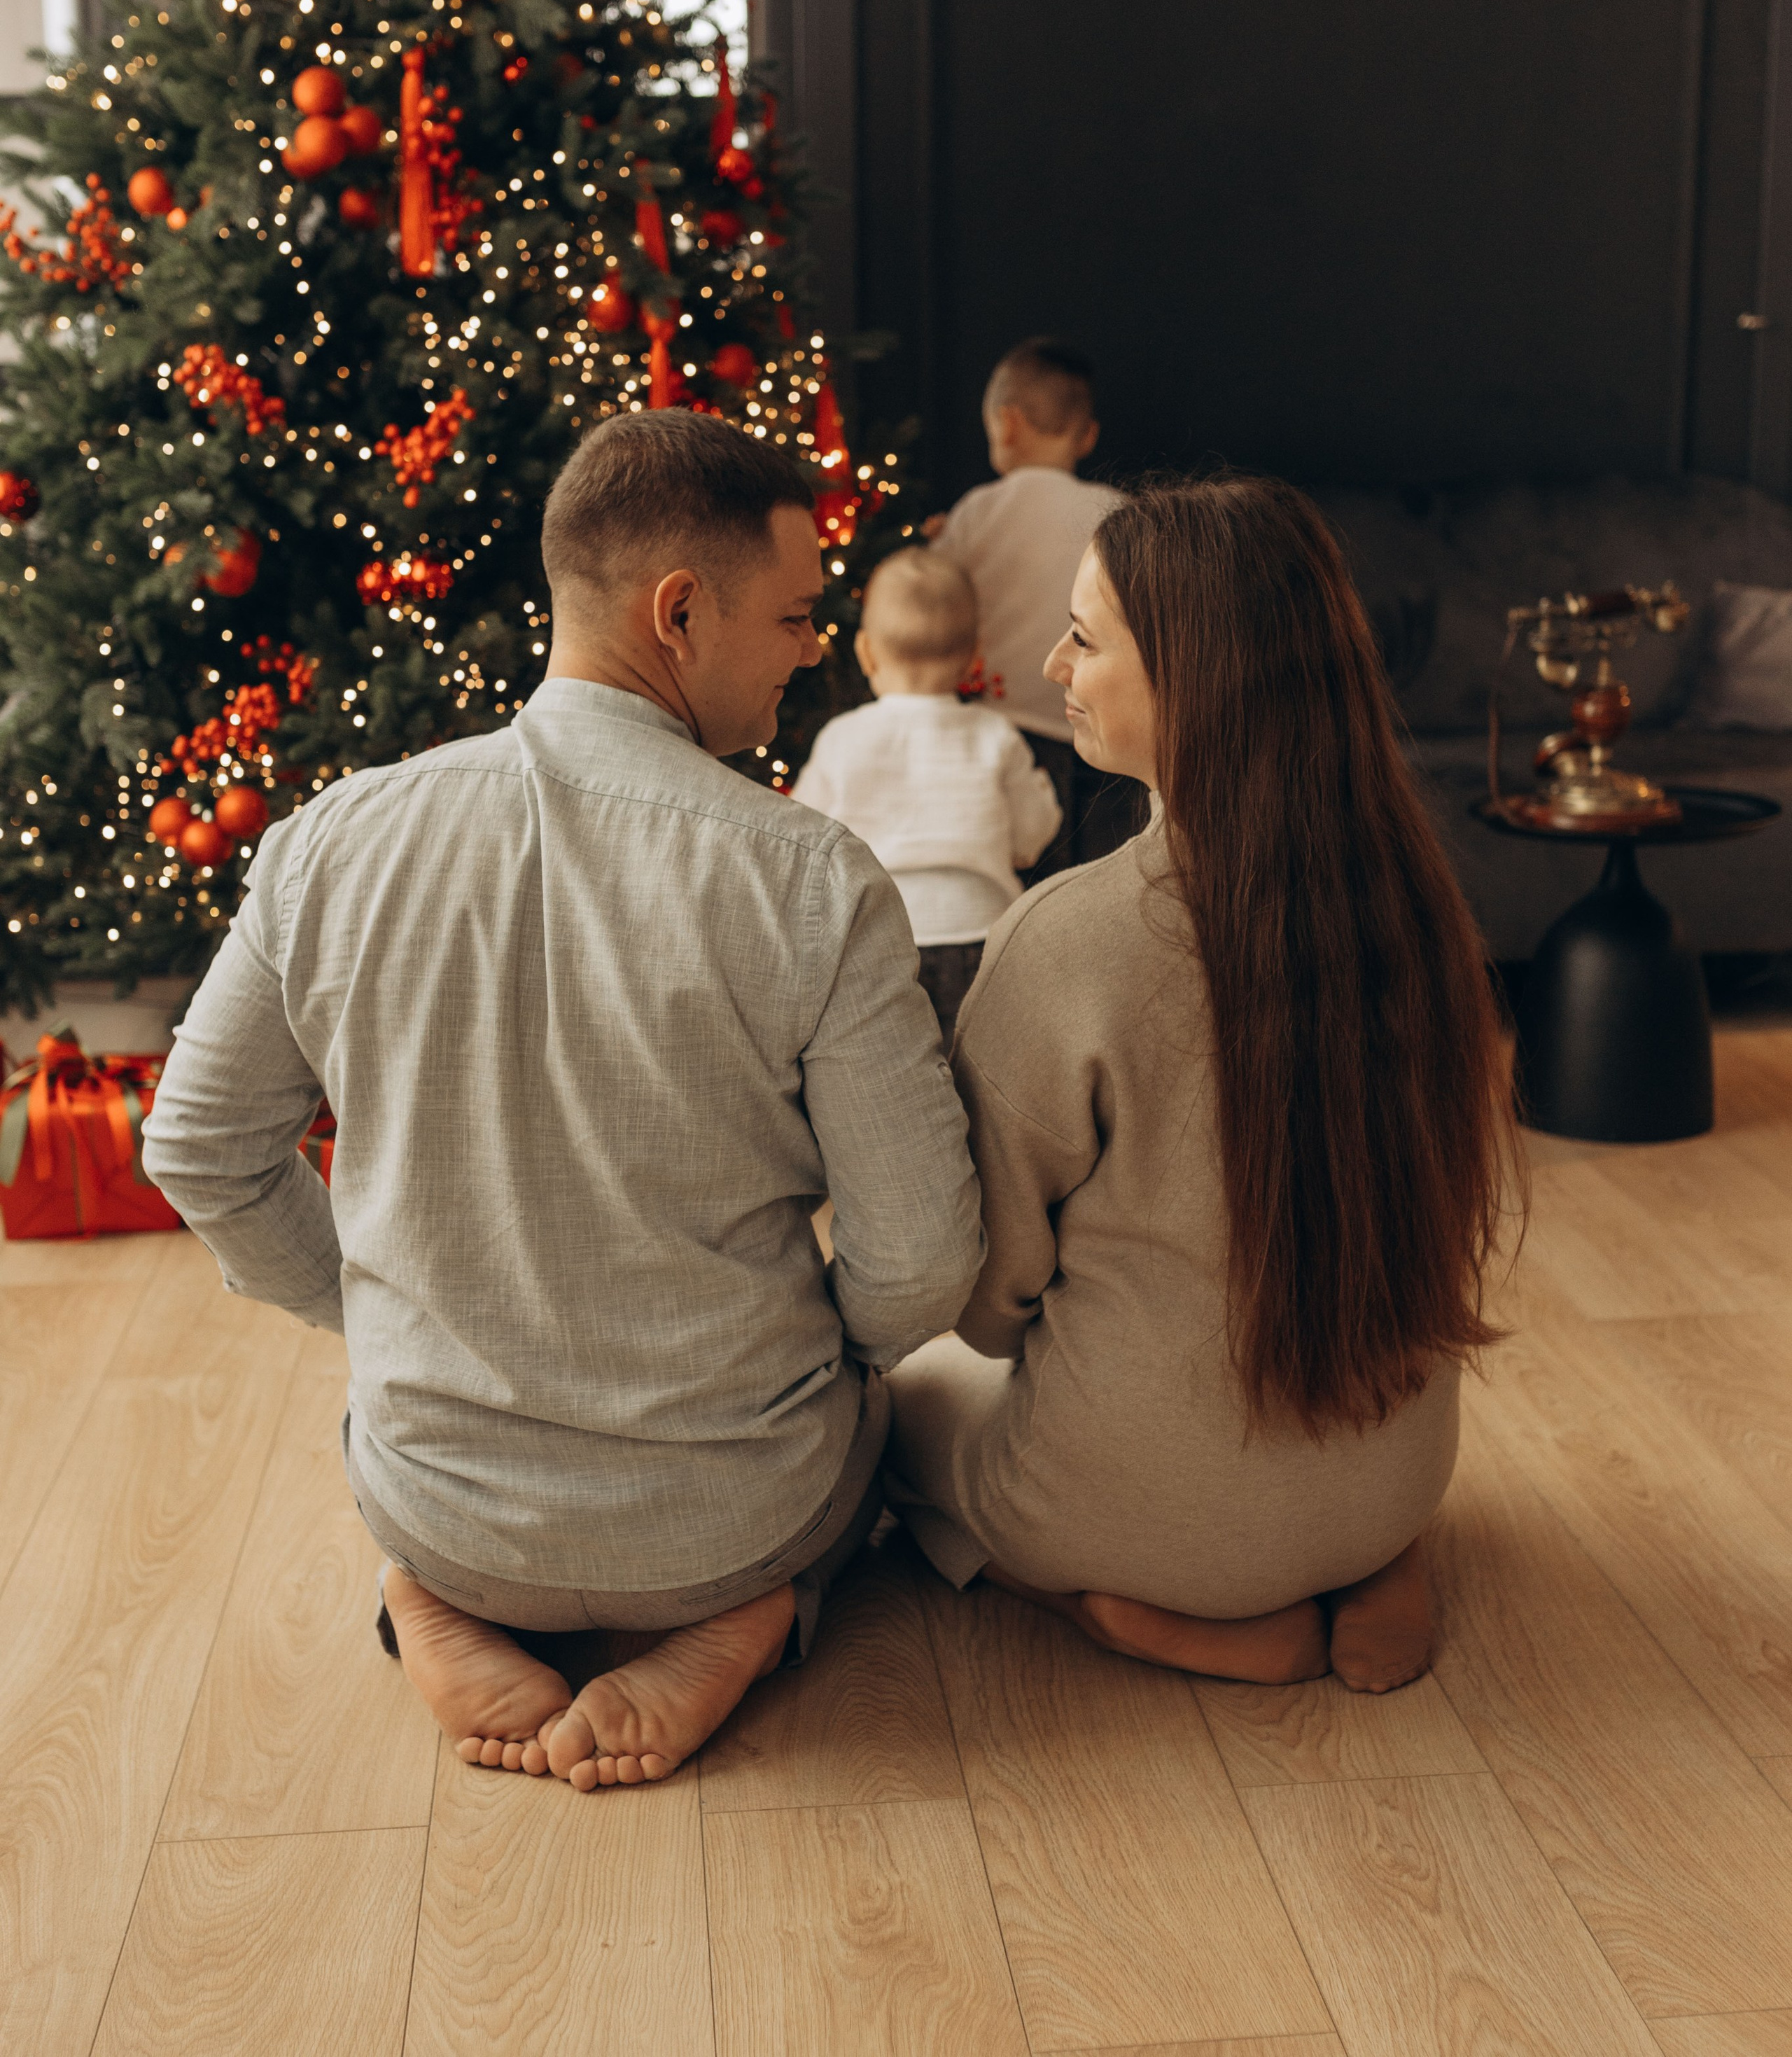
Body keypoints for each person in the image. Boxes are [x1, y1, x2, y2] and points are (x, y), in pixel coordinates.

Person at [144, 410, 981, 1790]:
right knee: (881, 1422)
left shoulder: (332, 842)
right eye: (793, 616)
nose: (810, 648)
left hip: (448, 1509)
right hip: (731, 1515)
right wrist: (812, 1356)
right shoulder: (811, 879)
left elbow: (199, 1148)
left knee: (402, 1473)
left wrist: (370, 1311)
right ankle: (751, 1619)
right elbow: (922, 1262)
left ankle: (423, 1597)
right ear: (677, 612)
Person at [886, 475, 1518, 1692]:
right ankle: (1375, 1559)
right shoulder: (1421, 904)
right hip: (1394, 1477)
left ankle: (1121, 1609)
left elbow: (986, 1300)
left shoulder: (1066, 937)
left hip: (1142, 1517)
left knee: (889, 1411)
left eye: (1087, 634)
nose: (1052, 658)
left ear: (1196, 678)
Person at [790, 547, 1060, 1040]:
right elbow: (1033, 833)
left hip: (877, 938)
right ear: (977, 653)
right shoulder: (995, 735)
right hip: (985, 935)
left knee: (894, 1076)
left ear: (866, 651)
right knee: (984, 1072)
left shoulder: (843, 739)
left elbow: (802, 840)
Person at [927, 337, 1141, 873]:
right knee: (1097, 868)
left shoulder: (978, 510)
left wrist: (938, 541)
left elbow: (932, 594)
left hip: (1002, 721)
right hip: (1101, 725)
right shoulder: (1121, 516)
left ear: (1006, 423)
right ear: (1087, 435)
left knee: (1019, 866)